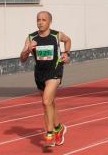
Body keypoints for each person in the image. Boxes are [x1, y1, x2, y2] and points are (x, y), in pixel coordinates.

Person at [21, 11, 71, 147]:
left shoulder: (56, 35)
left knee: (46, 101)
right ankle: (59, 128)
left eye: (43, 20)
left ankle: (50, 133)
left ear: (49, 22)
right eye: (38, 19)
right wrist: (27, 50)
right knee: (49, 105)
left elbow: (68, 40)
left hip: (55, 71)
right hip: (40, 74)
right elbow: (22, 59)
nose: (40, 22)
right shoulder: (31, 38)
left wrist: (66, 53)